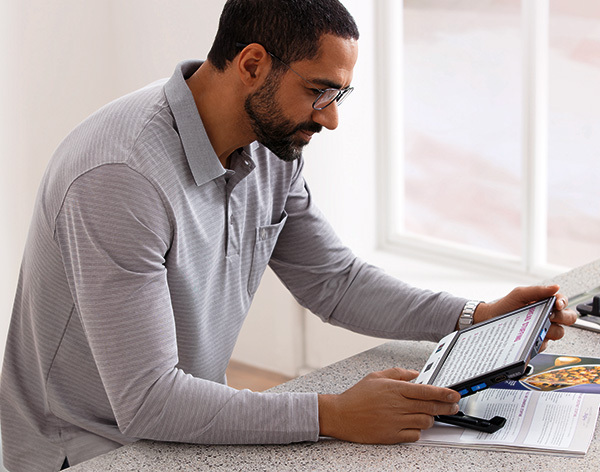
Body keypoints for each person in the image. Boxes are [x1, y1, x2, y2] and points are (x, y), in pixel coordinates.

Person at [0, 1, 576, 471]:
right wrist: (332, 413)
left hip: (180, 429)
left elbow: (335, 281)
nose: (330, 118)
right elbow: (148, 403)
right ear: (252, 64)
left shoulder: (270, 146)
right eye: (320, 91)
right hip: (86, 451)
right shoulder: (120, 178)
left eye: (338, 96)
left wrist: (477, 316)